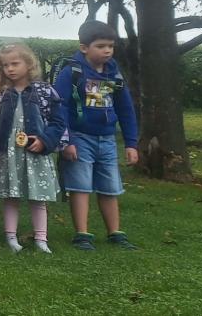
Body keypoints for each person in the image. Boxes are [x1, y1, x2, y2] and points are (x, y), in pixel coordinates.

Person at [55, 20, 139, 251]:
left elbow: (126, 109)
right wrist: (67, 141)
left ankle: (115, 232)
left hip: (108, 139)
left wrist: (131, 143)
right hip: (80, 138)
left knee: (110, 187)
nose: (107, 51)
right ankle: (82, 234)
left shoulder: (115, 75)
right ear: (84, 48)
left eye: (110, 46)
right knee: (80, 186)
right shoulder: (72, 73)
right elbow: (60, 107)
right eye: (101, 46)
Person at [0, 42, 67, 254]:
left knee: (38, 197)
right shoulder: (0, 94)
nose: (9, 69)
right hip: (9, 154)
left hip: (35, 153)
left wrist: (45, 140)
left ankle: (41, 238)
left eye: (15, 64)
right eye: (5, 65)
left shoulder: (45, 91)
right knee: (11, 196)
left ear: (29, 64)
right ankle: (11, 237)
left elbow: (58, 122)